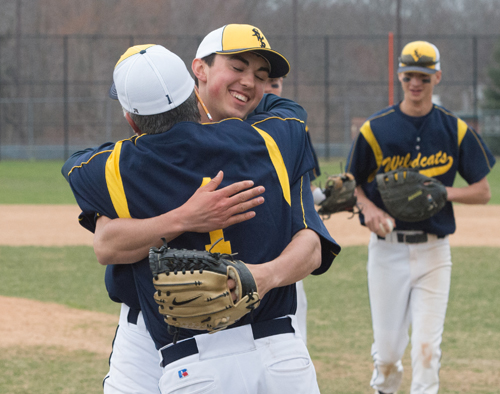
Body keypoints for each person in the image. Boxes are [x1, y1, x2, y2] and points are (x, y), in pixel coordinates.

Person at [64, 39, 340, 394]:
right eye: (237, 69)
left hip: (191, 353)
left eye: (259, 75)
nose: (248, 82)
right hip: (266, 351)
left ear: (132, 120)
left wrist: (262, 275)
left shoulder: (121, 167)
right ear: (197, 78)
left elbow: (76, 165)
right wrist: (184, 217)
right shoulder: (271, 142)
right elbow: (291, 113)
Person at [345, 40, 495, 394]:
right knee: (388, 354)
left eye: (424, 77)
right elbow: (351, 184)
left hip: (434, 253)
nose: (416, 83)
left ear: (437, 77)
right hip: (387, 252)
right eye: (410, 75)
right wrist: (368, 208)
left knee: (428, 350)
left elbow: (483, 191)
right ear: (400, 76)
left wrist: (446, 193)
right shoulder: (375, 128)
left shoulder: (454, 129)